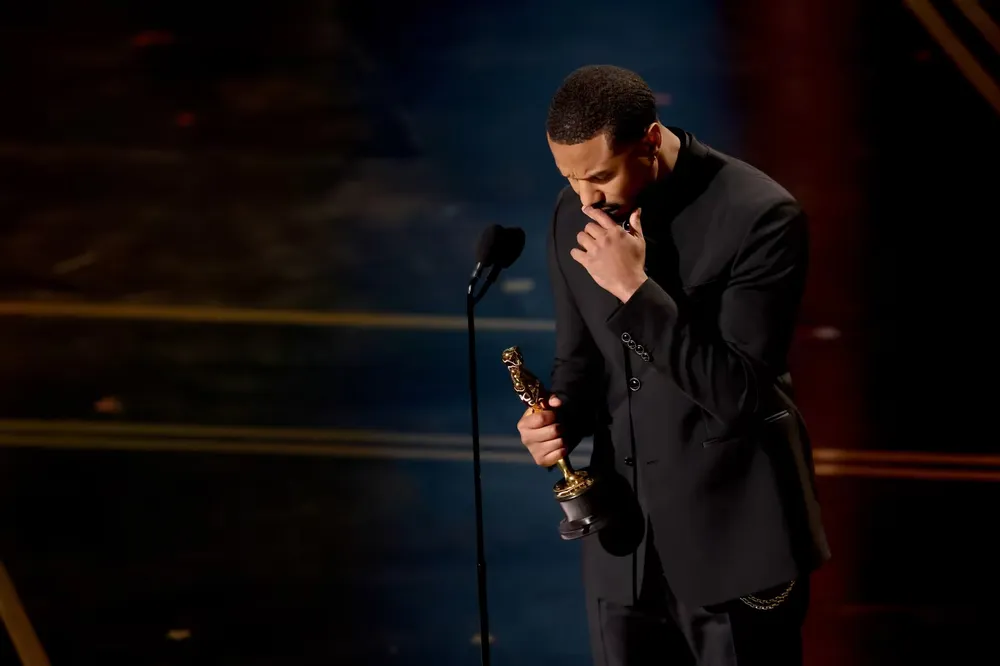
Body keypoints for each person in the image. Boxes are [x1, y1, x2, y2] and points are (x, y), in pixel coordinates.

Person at [516, 64, 831, 666]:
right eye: (569, 177)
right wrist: (556, 421)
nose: (585, 198)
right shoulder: (571, 214)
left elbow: (739, 395)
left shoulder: (760, 216)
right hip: (624, 553)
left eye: (599, 176)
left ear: (651, 141)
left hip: (736, 550)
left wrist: (635, 291)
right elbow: (579, 364)